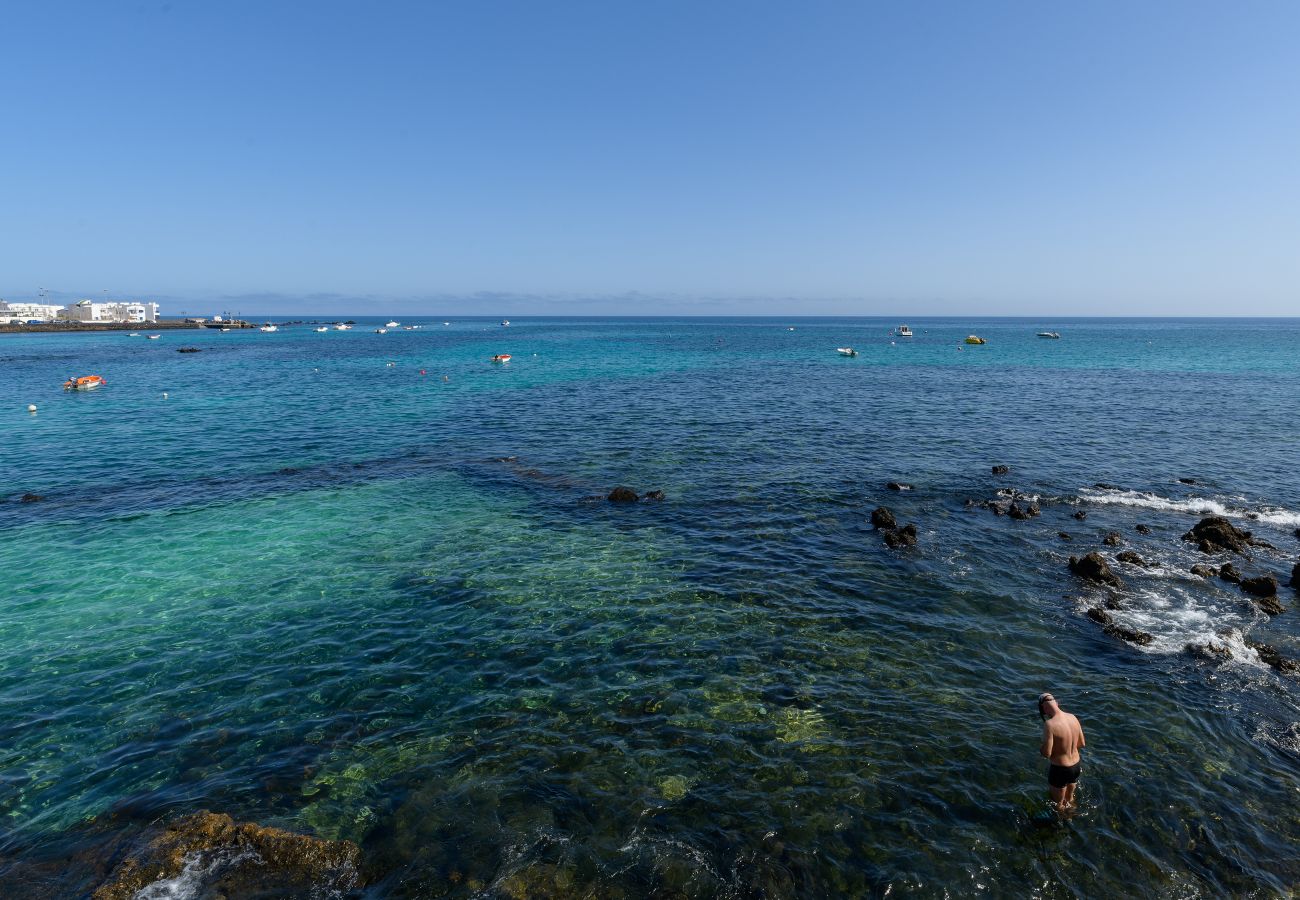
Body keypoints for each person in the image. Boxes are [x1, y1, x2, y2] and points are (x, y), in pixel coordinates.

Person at [1038, 692, 1085, 810]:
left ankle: (1061, 825)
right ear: (1056, 703)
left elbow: (1047, 753)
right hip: (1076, 766)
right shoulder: (1072, 717)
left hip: (1061, 769)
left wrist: (1042, 747)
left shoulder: (1049, 724)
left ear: (1044, 708)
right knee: (1070, 799)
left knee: (1058, 804)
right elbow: (1082, 744)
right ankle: (1071, 817)